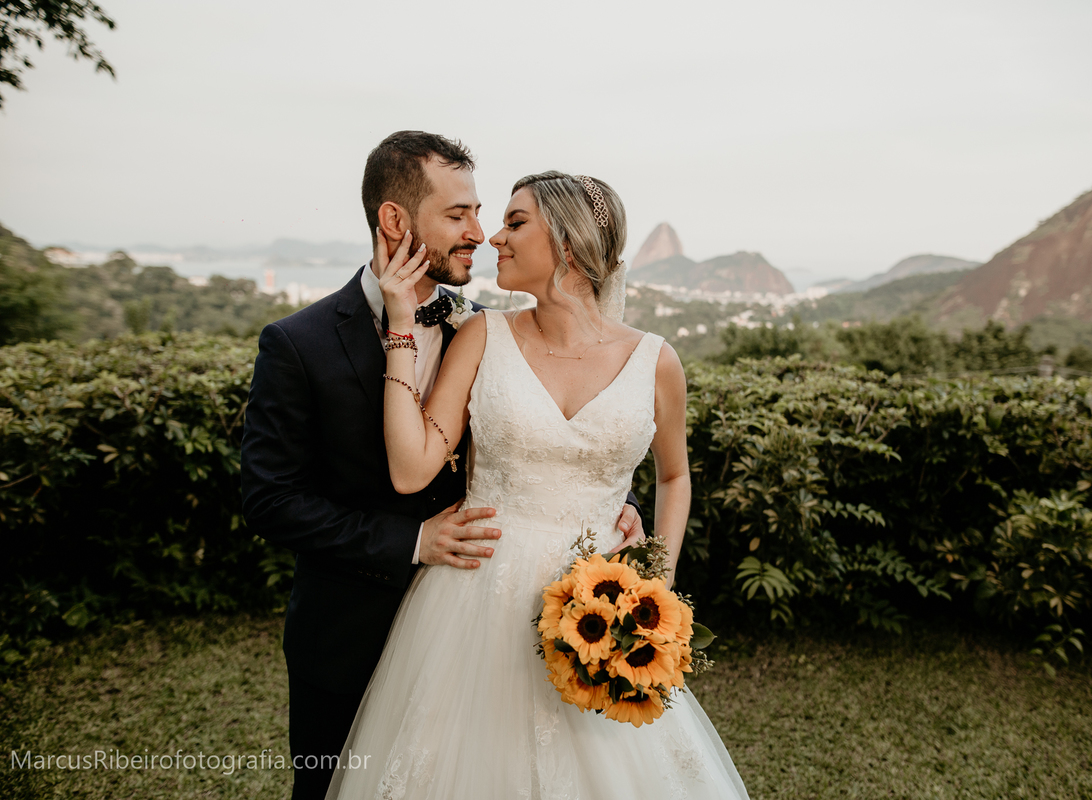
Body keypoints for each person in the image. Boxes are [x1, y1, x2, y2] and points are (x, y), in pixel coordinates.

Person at [240, 133, 644, 800]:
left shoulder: (488, 330)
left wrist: (622, 507)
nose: (480, 233)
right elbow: (270, 499)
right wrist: (414, 541)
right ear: (395, 221)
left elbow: (577, 433)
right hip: (349, 636)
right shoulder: (298, 343)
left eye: (482, 212)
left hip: (486, 635)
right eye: (458, 215)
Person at [325, 171, 749, 798]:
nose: (494, 236)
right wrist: (399, 326)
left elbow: (674, 474)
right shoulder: (481, 335)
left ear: (570, 244)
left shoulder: (655, 360)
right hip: (475, 600)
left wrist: (656, 582)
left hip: (604, 604)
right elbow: (411, 469)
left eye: (516, 222)